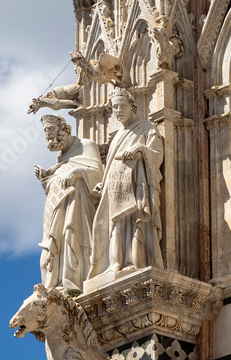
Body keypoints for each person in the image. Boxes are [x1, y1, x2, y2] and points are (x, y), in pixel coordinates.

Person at [88, 88, 163, 283]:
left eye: (122, 106)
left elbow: (157, 154)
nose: (118, 111)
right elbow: (112, 162)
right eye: (114, 108)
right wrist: (102, 185)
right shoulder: (116, 138)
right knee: (115, 225)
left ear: (132, 106)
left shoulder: (146, 128)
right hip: (115, 187)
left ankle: (136, 261)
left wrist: (141, 149)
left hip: (137, 185)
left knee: (135, 220)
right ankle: (115, 264)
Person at [35, 115, 103, 294]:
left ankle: (73, 283)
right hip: (57, 209)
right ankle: (56, 285)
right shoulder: (60, 158)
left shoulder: (86, 146)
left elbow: (99, 174)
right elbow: (56, 183)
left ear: (62, 128)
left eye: (50, 130)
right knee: (50, 249)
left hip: (77, 208)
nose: (47, 135)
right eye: (45, 132)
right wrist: (46, 177)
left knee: (70, 239)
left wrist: (78, 171)